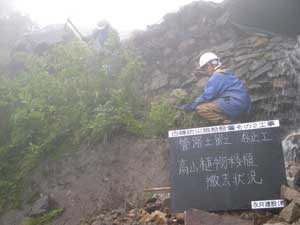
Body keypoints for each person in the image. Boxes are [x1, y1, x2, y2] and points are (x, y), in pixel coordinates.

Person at [183, 52, 251, 124]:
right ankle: (234, 121)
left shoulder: (217, 76)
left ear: (211, 64)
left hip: (234, 103)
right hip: (244, 106)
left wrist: (192, 106)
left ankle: (228, 122)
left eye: (205, 67)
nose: (205, 71)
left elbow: (207, 96)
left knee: (202, 108)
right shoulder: (226, 73)